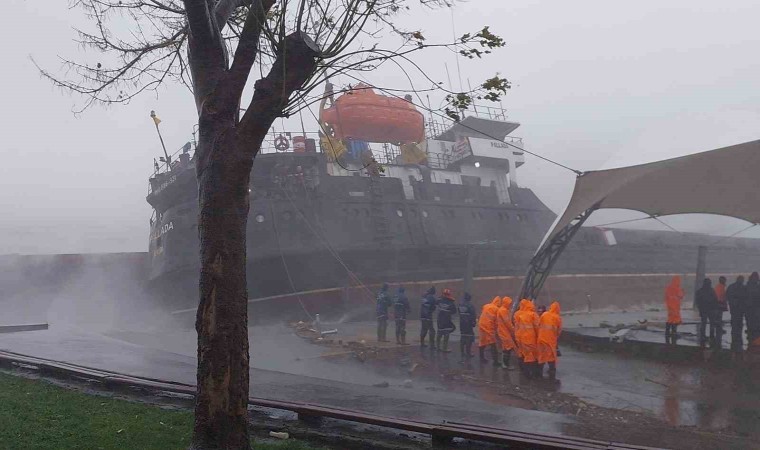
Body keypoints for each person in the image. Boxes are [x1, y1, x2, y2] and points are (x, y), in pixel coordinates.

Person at [514, 299, 540, 378]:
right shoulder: (533, 315)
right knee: (530, 356)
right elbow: (537, 327)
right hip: (530, 338)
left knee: (523, 354)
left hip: (520, 338)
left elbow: (516, 327)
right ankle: (529, 374)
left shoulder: (519, 314)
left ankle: (524, 371)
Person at [537, 301, 562, 379]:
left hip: (541, 339)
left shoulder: (544, 314)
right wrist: (555, 337)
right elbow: (559, 330)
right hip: (550, 340)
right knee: (551, 357)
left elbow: (539, 325)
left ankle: (539, 374)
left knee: (542, 356)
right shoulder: (558, 318)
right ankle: (552, 374)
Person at [695, 278, 720, 348]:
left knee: (703, 323)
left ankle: (703, 336)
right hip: (711, 310)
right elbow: (715, 300)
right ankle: (711, 336)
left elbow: (698, 301)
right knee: (712, 323)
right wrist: (716, 309)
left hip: (704, 310)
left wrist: (700, 309)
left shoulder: (700, 291)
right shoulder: (712, 290)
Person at [726, 275, 747, 352]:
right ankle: (738, 336)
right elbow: (746, 297)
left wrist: (732, 303)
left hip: (734, 309)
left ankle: (734, 335)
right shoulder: (743, 288)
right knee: (739, 322)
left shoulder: (731, 287)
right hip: (740, 309)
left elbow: (727, 296)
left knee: (734, 322)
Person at [477, 296, 501, 363]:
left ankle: (481, 358)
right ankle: (495, 361)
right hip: (489, 327)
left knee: (482, 341)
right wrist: (497, 331)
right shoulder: (496, 309)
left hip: (481, 324)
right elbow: (496, 322)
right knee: (492, 342)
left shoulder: (486, 305)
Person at [496, 296, 517, 369]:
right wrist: (513, 330)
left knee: (506, 348)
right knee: (508, 348)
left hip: (504, 331)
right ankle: (506, 364)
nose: (510, 305)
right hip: (504, 332)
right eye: (509, 303)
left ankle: (504, 364)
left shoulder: (503, 310)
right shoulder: (503, 311)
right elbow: (507, 322)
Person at [436, 288, 457, 352]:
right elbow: (454, 311)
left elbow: (436, 303)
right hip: (447, 319)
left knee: (439, 332)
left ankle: (438, 347)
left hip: (439, 319)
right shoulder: (451, 302)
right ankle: (444, 348)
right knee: (446, 333)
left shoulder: (439, 300)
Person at [664, 276, 684, 344]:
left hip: (669, 306)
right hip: (675, 307)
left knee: (670, 319)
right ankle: (674, 333)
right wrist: (683, 292)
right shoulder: (678, 289)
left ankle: (667, 332)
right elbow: (681, 296)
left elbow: (666, 297)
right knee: (675, 320)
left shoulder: (668, 288)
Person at [458, 293, 477, 362]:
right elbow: (473, 315)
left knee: (463, 337)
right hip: (468, 324)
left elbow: (459, 313)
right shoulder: (470, 306)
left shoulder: (460, 305)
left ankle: (462, 352)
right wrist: (473, 323)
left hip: (462, 324)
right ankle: (468, 353)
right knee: (469, 338)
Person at [746, 272, 760, 347]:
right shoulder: (755, 286)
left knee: (752, 324)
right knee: (755, 324)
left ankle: (752, 341)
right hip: (754, 308)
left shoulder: (748, 285)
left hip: (750, 308)